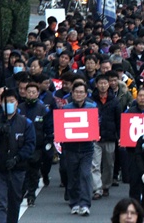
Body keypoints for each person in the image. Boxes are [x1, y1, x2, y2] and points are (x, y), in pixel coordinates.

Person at [0, 89, 36, 223]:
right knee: (0, 202)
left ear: (17, 103)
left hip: (17, 169)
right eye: (7, 102)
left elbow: (30, 145)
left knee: (14, 202)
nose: (10, 104)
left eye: (12, 101)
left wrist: (17, 158)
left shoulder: (26, 123)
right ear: (1, 103)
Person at [63, 80, 98, 216]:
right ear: (72, 94)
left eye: (81, 92)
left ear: (85, 94)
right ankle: (74, 203)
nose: (78, 94)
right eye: (76, 92)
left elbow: (97, 124)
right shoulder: (66, 109)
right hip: (70, 148)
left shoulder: (91, 108)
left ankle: (85, 203)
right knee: (72, 177)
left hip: (87, 148)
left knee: (85, 175)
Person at [18, 83, 54, 207]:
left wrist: (48, 141)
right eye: (29, 92)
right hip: (21, 146)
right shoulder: (19, 108)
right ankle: (21, 192)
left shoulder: (43, 109)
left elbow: (48, 127)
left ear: (38, 94)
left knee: (33, 171)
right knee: (22, 171)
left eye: (34, 92)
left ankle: (31, 195)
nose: (31, 94)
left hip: (37, 146)